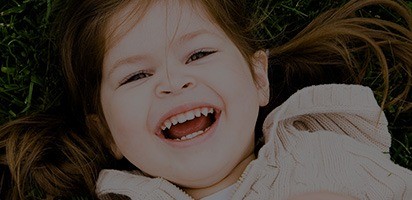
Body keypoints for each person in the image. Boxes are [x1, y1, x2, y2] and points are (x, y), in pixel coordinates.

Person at [1, 0, 412, 199]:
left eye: (198, 54)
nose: (173, 82)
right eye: (136, 75)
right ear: (107, 132)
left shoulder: (315, 149)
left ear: (257, 79)